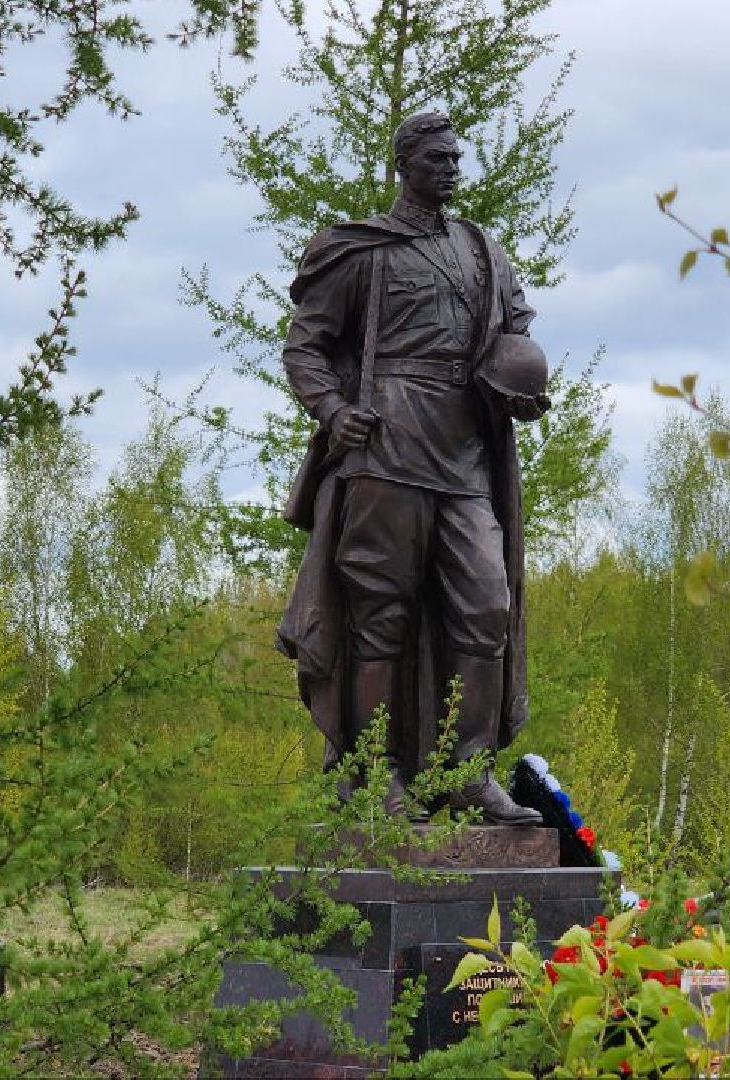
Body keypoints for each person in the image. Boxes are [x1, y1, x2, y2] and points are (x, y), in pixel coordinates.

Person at [275, 111, 549, 825]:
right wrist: (333, 410)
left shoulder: (482, 251)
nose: (451, 168)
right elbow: (305, 346)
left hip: (465, 453)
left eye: (456, 157)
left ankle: (468, 773)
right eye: (437, 158)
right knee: (380, 617)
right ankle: (375, 772)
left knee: (486, 606)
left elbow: (516, 336)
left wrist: (520, 385)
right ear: (405, 164)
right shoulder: (361, 251)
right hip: (387, 448)